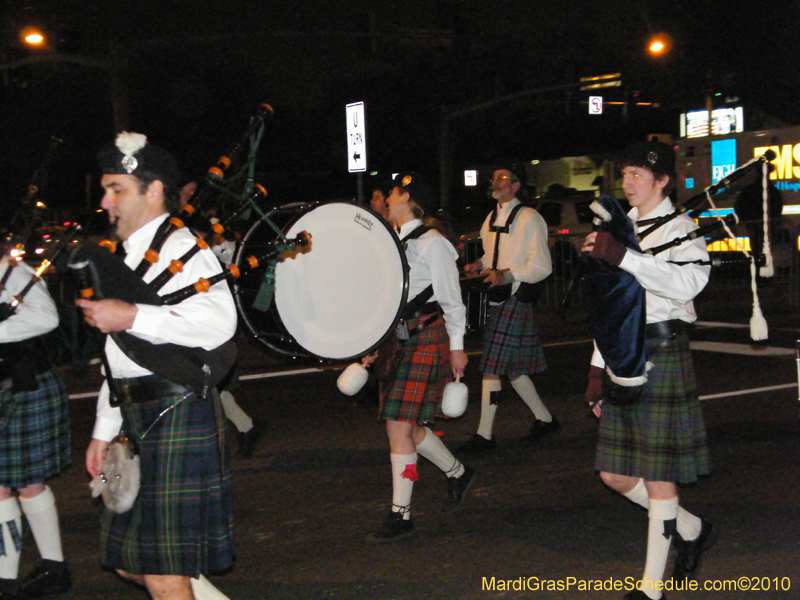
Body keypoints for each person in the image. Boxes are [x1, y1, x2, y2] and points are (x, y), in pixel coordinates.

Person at [78, 132, 237, 600]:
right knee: (132, 563)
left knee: (162, 571)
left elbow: (219, 322)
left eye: (117, 189)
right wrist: (104, 427)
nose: (105, 201)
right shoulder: (124, 256)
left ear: (153, 191)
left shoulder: (182, 249)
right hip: (136, 415)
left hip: (176, 410)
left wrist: (132, 314)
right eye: (106, 189)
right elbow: (120, 352)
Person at [581, 141, 715, 600]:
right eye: (625, 174)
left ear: (662, 181)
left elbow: (688, 283)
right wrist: (597, 372)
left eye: (638, 174)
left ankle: (651, 588)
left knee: (659, 475)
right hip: (623, 355)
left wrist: (623, 258)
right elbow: (611, 308)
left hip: (662, 352)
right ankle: (692, 529)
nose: (628, 182)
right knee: (614, 475)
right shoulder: (621, 228)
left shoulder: (684, 228)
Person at [365, 172, 473, 542]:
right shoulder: (390, 242)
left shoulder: (433, 244)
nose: (386, 200)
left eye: (392, 193)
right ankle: (458, 472)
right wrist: (370, 343)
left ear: (408, 198)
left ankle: (402, 514)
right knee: (407, 427)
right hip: (397, 339)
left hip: (427, 335)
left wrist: (458, 348)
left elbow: (451, 301)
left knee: (397, 424)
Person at [457, 165, 556, 455]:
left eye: (502, 178)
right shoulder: (491, 217)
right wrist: (481, 264)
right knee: (512, 369)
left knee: (490, 368)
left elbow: (542, 266)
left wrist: (507, 275)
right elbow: (494, 251)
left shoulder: (529, 218)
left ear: (516, 186)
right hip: (496, 298)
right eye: (494, 177)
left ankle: (484, 436)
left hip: (514, 297)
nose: (495, 182)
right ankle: (546, 420)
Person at [0, 255, 71, 600]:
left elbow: (46, 317)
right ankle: (5, 578)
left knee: (28, 483)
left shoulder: (17, 275)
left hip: (26, 387)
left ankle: (54, 567)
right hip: (6, 386)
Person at [179, 181, 265, 459]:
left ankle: (239, 429)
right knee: (202, 378)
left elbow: (230, 254)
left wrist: (211, 239)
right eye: (186, 190)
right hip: (189, 312)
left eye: (193, 190)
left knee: (206, 377)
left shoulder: (210, 224)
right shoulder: (174, 223)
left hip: (211, 313)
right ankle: (246, 427)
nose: (189, 195)